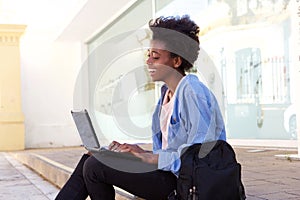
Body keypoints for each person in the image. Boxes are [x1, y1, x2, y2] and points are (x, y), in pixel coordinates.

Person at [55, 15, 226, 200]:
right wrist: (141, 152)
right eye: (148, 55)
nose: (148, 62)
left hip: (189, 185)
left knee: (96, 166)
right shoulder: (165, 97)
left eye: (156, 56)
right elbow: (170, 152)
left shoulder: (192, 92)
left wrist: (152, 159)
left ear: (176, 61)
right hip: (172, 176)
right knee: (91, 158)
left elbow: (201, 155)